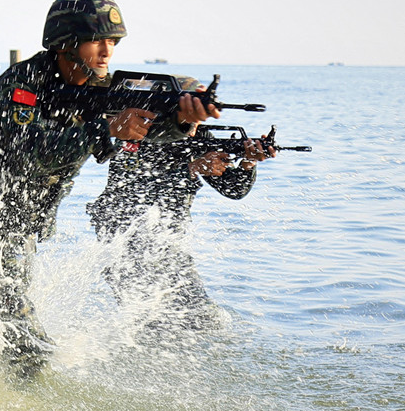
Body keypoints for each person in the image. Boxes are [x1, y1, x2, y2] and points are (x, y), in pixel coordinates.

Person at [0, 0, 220, 377]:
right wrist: (106, 128)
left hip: (22, 226)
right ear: (65, 42)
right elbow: (26, 151)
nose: (107, 51)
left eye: (113, 41)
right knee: (25, 347)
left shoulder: (101, 86)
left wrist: (182, 120)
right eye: (98, 40)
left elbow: (140, 126)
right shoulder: (22, 84)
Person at [86, 89, 274, 329]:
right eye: (188, 114)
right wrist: (192, 169)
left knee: (206, 321)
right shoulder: (139, 132)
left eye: (198, 116)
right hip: (123, 240)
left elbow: (233, 189)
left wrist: (248, 161)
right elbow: (132, 190)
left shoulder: (199, 137)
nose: (193, 125)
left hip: (167, 242)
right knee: (147, 325)